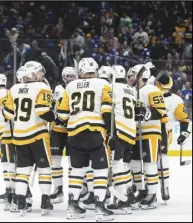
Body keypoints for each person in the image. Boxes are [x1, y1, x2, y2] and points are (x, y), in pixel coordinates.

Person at [57, 57, 114, 221]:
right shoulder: (103, 84)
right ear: (95, 70)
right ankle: (100, 207)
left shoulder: (70, 86)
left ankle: (73, 207)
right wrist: (111, 132)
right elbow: (107, 110)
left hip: (74, 133)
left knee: (77, 171)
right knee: (100, 170)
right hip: (95, 131)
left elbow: (62, 115)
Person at [3, 61, 57, 216]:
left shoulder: (13, 89)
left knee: (22, 171)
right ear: (35, 73)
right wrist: (54, 116)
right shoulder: (42, 87)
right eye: (39, 72)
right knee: (44, 169)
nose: (41, 75)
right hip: (37, 135)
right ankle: (45, 201)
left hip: (19, 136)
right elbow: (42, 111)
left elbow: (8, 114)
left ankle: (21, 202)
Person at [129, 64, 168, 210]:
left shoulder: (152, 89)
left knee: (149, 164)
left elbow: (161, 111)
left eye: (133, 75)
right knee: (135, 164)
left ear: (142, 76)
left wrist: (145, 112)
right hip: (135, 133)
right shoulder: (132, 91)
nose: (131, 78)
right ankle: (142, 191)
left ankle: (152, 195)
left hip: (150, 132)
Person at [153, 76, 190, 201]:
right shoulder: (150, 94)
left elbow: (183, 119)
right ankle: (147, 189)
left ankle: (165, 187)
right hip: (147, 131)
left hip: (164, 132)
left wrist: (184, 132)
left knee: (161, 159)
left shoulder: (176, 100)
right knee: (147, 162)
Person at [106, 65, 136, 215]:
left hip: (119, 131)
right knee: (124, 165)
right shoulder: (132, 90)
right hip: (131, 132)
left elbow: (108, 109)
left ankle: (123, 200)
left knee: (117, 164)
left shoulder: (112, 87)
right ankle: (127, 197)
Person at [0, 73, 18, 211]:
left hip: (8, 135)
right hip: (5, 134)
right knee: (6, 164)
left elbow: (11, 114)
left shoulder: (4, 93)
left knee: (10, 165)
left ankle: (13, 193)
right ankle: (9, 191)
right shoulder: (3, 94)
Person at [50, 66, 77, 204]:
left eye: (72, 76)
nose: (70, 79)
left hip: (73, 129)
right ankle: (58, 189)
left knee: (75, 162)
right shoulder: (58, 89)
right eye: (68, 76)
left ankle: (77, 191)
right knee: (55, 161)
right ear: (63, 77)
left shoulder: (78, 88)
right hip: (57, 130)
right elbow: (55, 107)